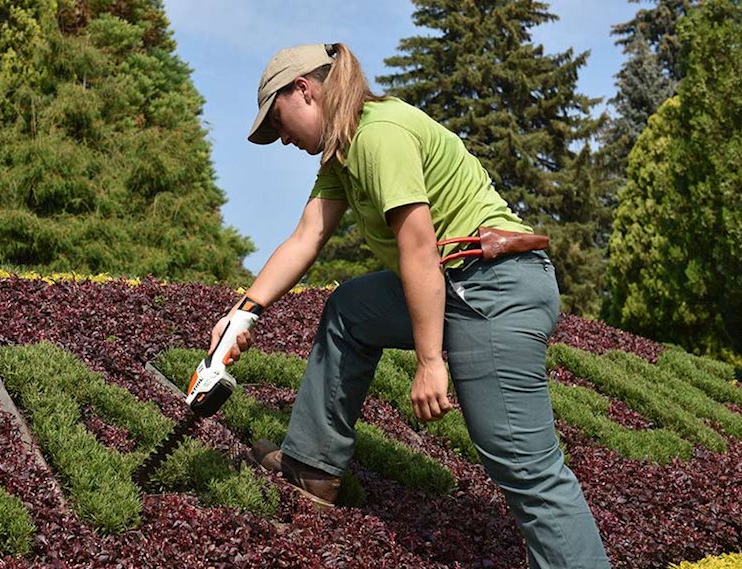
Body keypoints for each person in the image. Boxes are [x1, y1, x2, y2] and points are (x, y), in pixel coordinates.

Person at [210, 42, 611, 568]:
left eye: (278, 121)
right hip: (460, 284)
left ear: (304, 90)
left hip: (495, 290)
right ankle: (313, 468)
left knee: (526, 467)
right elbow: (307, 236)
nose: (282, 139)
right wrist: (244, 310)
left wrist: (429, 361)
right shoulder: (343, 153)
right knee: (352, 309)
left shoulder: (379, 136)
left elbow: (418, 247)